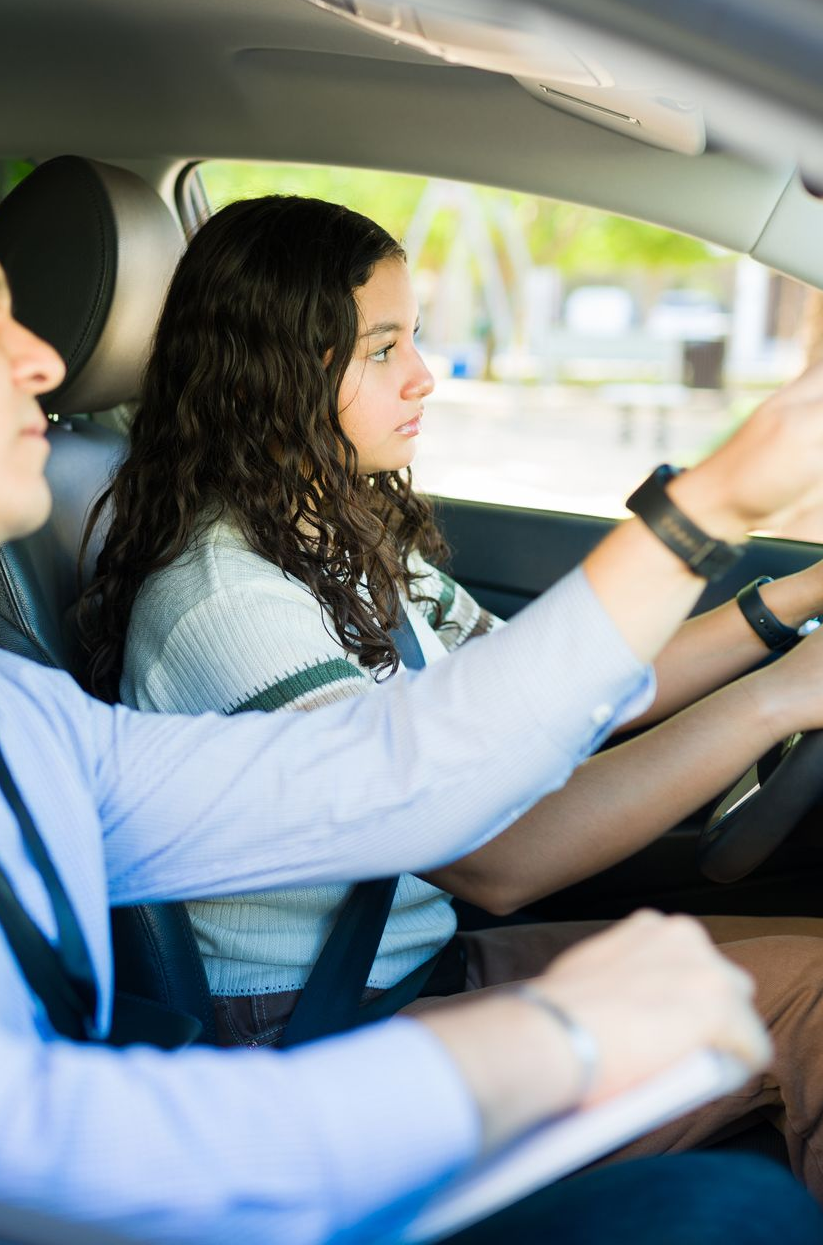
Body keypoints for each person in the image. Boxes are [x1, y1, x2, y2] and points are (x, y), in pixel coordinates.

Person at [0, 131, 820, 1245]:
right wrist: (549, 1041)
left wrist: (716, 508)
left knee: (738, 1214)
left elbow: (396, 770)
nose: (43, 355)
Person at [81, 193, 823, 1193]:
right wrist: (776, 701)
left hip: (411, 967)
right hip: (315, 1033)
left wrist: (799, 597)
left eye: (412, 338)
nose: (423, 375)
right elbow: (499, 858)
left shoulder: (341, 539)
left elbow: (568, 689)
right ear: (272, 370)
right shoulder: (226, 600)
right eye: (381, 347)